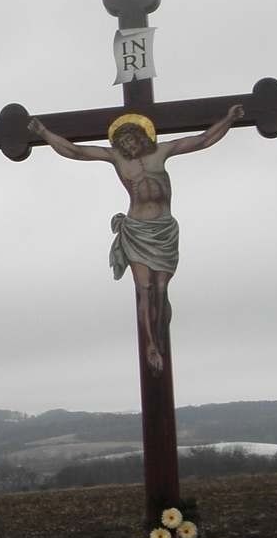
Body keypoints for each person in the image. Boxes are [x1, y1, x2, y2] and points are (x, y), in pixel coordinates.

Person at [25, 104, 243, 374]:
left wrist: (229, 118)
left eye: (131, 138)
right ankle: (150, 344)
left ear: (142, 137)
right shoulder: (117, 158)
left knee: (161, 290)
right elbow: (76, 151)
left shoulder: (161, 151)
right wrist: (44, 132)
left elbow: (202, 140)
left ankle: (160, 338)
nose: (128, 144)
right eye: (123, 141)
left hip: (163, 229)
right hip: (137, 230)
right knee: (145, 289)